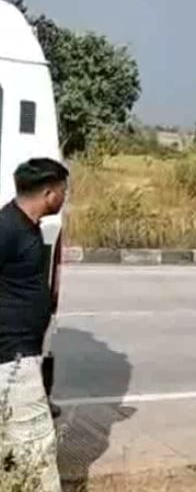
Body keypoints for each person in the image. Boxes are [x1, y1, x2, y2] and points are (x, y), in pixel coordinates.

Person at [0, 158, 69, 492]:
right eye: (63, 191)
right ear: (48, 192)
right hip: (13, 359)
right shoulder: (7, 228)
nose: (65, 197)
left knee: (15, 450)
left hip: (22, 355)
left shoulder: (25, 226)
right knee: (34, 449)